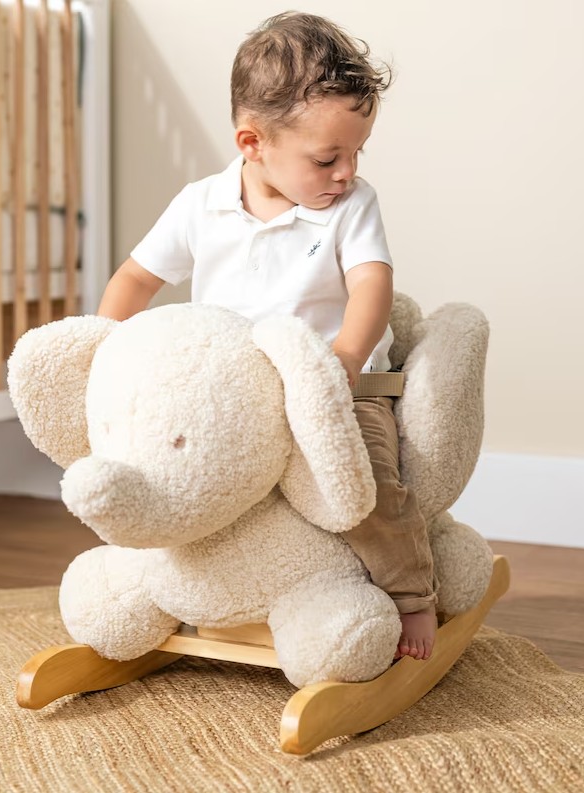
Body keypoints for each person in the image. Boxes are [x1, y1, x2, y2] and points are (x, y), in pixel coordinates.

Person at [98, 11, 437, 660]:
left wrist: (344, 356)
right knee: (160, 461)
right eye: (327, 158)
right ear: (252, 144)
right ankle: (154, 583)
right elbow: (135, 279)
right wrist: (105, 350)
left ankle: (410, 592)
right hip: (236, 393)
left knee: (363, 485)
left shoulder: (351, 205)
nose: (346, 171)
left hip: (339, 386)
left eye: (356, 153)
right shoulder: (201, 204)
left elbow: (372, 284)